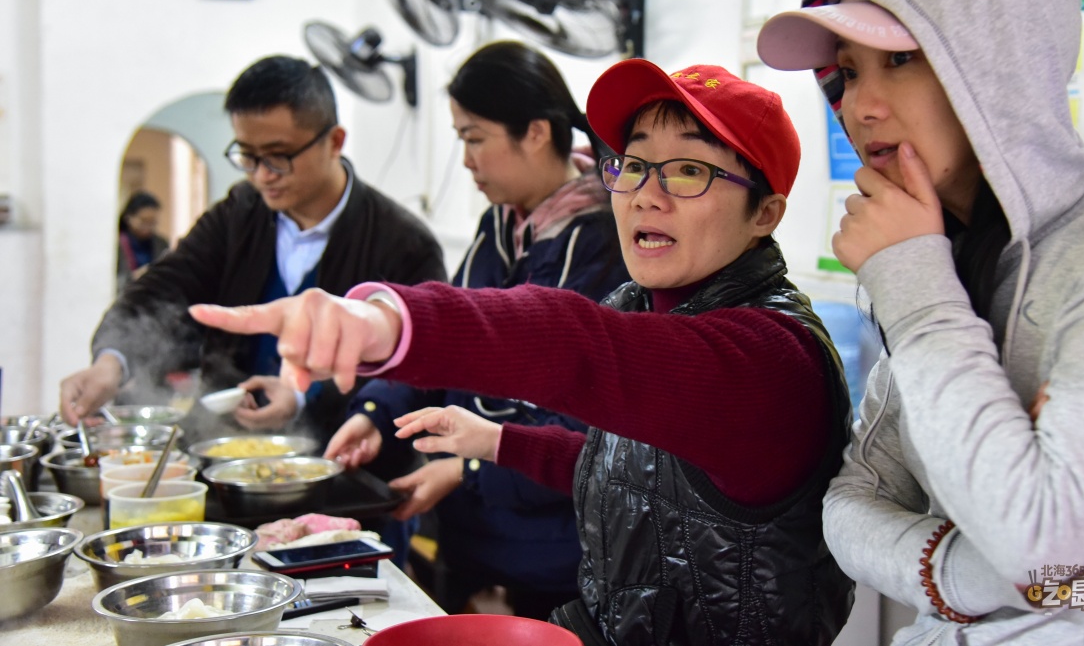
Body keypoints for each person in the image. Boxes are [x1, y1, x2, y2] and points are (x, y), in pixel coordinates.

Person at [192, 59, 855, 644]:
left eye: (689, 170)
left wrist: (391, 322)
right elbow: (637, 473)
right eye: (635, 163)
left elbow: (578, 346)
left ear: (765, 213)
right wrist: (496, 443)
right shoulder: (639, 301)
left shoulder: (772, 358)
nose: (647, 193)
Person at [755, 0, 1084, 644]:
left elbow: (1038, 538)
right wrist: (964, 575)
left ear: (999, 60)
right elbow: (854, 500)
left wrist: (915, 288)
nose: (860, 104)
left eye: (900, 59)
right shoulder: (944, 256)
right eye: (847, 72)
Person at [325, 40, 630, 619]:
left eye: (473, 138)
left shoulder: (606, 248)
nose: (465, 160)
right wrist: (374, 415)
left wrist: (466, 472)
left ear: (536, 132)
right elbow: (440, 348)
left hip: (556, 558)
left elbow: (588, 434)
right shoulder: (498, 229)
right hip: (474, 542)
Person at [59, 55, 448, 446]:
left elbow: (418, 368)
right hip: (224, 447)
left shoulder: (402, 243)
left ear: (334, 141)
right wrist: (112, 361)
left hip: (342, 459)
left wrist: (299, 398)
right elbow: (164, 290)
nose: (262, 175)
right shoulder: (239, 215)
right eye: (247, 156)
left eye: (278, 156)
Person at [117, 190, 169, 291]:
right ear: (129, 218)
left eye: (153, 222)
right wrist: (134, 277)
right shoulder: (118, 245)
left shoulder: (161, 244)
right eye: (143, 221)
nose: (148, 227)